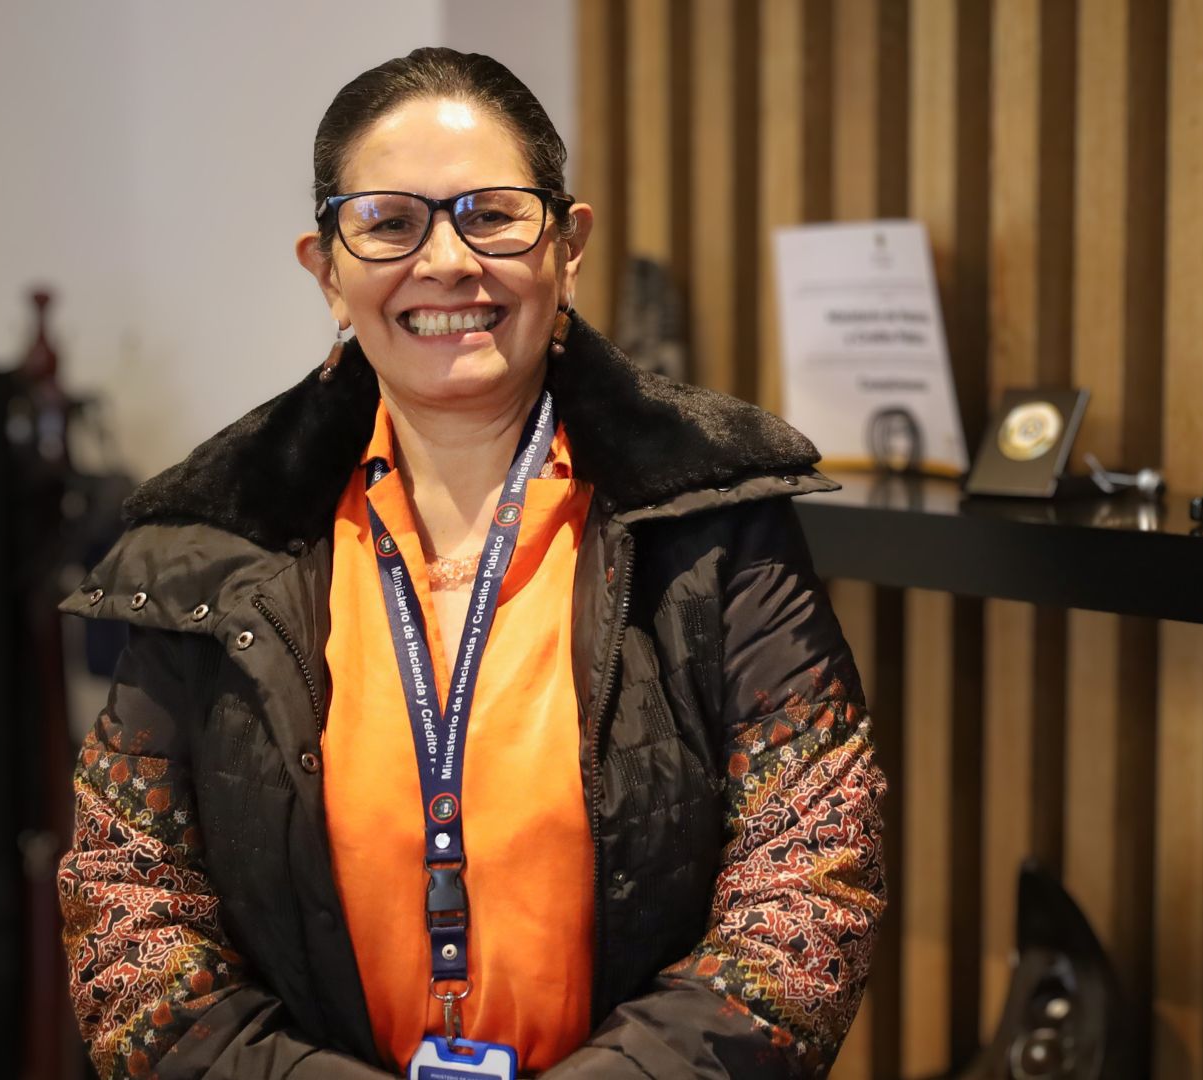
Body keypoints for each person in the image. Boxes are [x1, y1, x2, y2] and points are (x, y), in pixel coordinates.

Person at [56, 47, 886, 1079]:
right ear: (328, 269)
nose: (446, 261)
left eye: (491, 214)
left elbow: (810, 889)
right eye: (390, 222)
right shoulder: (208, 544)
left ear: (567, 246)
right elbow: (127, 906)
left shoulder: (715, 526)